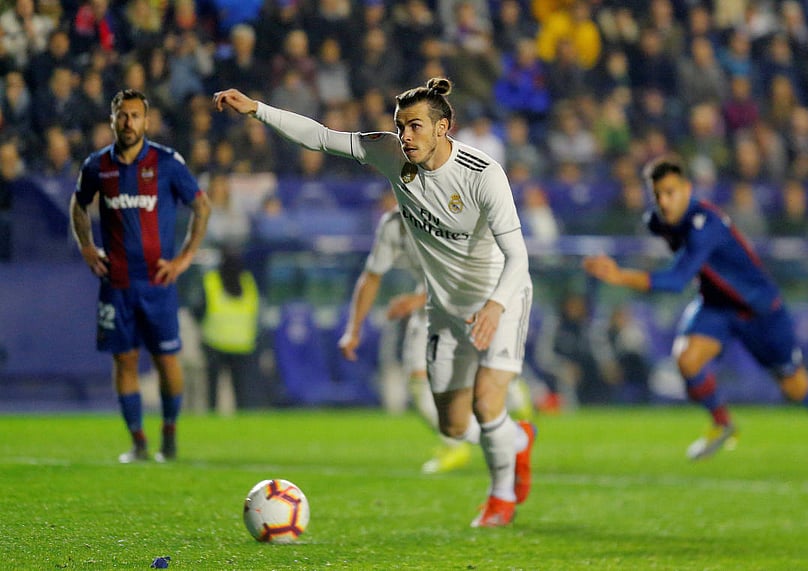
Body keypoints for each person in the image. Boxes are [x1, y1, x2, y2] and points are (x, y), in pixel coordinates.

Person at [215, 77, 537, 527]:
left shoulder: (483, 175)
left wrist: (497, 306)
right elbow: (322, 138)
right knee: (454, 426)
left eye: (416, 127)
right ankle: (519, 440)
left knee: (487, 404)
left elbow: (518, 257)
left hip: (500, 298)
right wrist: (257, 110)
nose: (406, 136)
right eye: (401, 126)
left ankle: (501, 497)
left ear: (444, 127)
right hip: (445, 309)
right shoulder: (391, 154)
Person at [582, 155, 808, 472]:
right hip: (717, 305)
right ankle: (722, 424)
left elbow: (677, 280)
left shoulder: (706, 224)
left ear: (688, 189)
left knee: (794, 386)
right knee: (687, 359)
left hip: (759, 311)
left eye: (671, 192)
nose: (664, 201)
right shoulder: (659, 221)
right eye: (658, 195)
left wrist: (619, 275)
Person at [339, 202, 534, 474]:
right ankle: (476, 441)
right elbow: (371, 276)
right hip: (431, 301)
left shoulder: (450, 215)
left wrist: (416, 300)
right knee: (419, 383)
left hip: (476, 295)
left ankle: (513, 402)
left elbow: (468, 270)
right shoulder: (393, 225)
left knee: (481, 380)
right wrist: (353, 329)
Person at [69, 89, 211, 463]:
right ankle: (138, 442)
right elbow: (79, 204)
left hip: (158, 283)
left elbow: (202, 206)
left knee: (166, 361)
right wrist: (86, 245)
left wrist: (184, 258)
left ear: (146, 121)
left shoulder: (166, 163)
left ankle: (169, 435)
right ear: (112, 119)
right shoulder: (98, 165)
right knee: (125, 362)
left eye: (135, 116)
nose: (128, 122)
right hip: (116, 284)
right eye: (122, 115)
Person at [195, 246, 261, 412]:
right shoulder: (248, 282)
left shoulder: (211, 281)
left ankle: (212, 415)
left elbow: (198, 309)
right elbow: (256, 311)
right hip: (242, 343)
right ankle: (242, 418)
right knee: (241, 390)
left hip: (215, 341)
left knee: (212, 390)